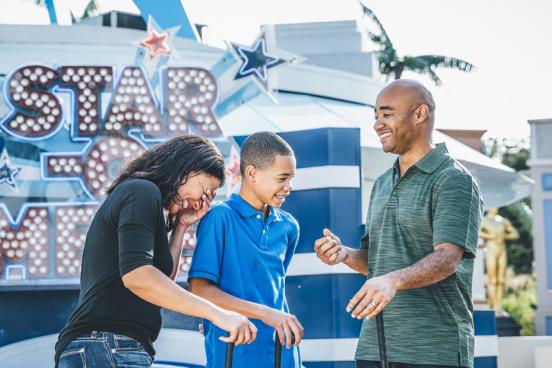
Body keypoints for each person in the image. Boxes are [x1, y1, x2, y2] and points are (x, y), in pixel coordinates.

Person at [314, 80, 483, 368]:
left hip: (434, 351)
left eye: (387, 114)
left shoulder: (454, 180)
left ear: (420, 115)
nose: (378, 124)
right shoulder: (382, 184)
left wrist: (393, 281)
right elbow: (375, 263)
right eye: (376, 116)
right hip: (374, 349)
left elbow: (448, 259)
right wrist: (346, 255)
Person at [55, 135, 257, 368]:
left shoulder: (148, 202)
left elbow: (159, 284)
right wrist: (219, 314)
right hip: (106, 345)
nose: (203, 200)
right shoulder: (141, 191)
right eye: (206, 189)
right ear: (186, 169)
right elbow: (138, 277)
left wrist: (181, 227)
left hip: (110, 347)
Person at [188, 131, 303, 367]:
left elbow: (274, 289)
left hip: (283, 354)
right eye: (282, 178)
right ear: (251, 173)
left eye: (291, 178)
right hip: (233, 353)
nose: (289, 187)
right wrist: (265, 313)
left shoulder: (290, 227)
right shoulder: (219, 218)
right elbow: (199, 289)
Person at [480, 207, 519, 312]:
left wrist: (503, 236)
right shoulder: (484, 220)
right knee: (493, 280)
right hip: (491, 250)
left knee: (501, 280)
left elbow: (515, 234)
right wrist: (490, 236)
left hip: (502, 250)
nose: (495, 208)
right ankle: (493, 306)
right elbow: (477, 232)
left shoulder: (502, 220)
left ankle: (499, 306)